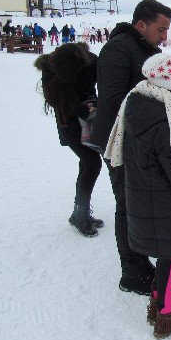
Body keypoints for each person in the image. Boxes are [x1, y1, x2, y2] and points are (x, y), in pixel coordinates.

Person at [105, 53, 171, 339]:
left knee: (164, 254)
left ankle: (157, 303)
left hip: (144, 195)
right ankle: (167, 316)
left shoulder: (136, 102)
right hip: (166, 201)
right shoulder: (167, 119)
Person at [89, 0, 171, 295]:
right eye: (160, 30)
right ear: (141, 24)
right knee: (126, 206)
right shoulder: (118, 49)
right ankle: (132, 272)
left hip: (137, 140)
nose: (164, 37)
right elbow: (113, 101)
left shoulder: (142, 49)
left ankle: (139, 262)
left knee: (136, 203)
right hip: (118, 142)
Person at [34, 43, 103, 236]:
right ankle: (80, 214)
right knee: (92, 164)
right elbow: (56, 100)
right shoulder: (51, 68)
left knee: (87, 163)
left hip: (89, 120)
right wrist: (82, 107)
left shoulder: (90, 62)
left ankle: (79, 213)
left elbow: (97, 85)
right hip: (69, 122)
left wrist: (95, 105)